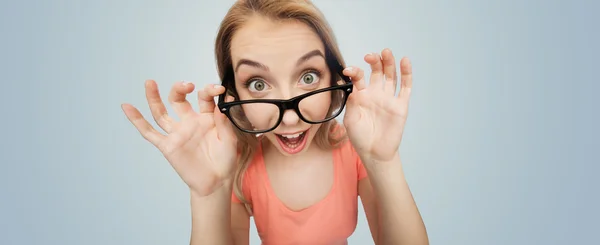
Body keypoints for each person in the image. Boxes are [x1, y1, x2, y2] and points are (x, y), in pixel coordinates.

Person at [121, 0, 429, 244]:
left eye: (308, 77)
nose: (291, 116)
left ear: (335, 78)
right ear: (232, 95)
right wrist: (208, 194)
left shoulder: (354, 151)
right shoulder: (238, 169)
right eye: (257, 83)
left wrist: (384, 161)